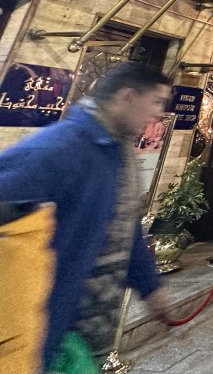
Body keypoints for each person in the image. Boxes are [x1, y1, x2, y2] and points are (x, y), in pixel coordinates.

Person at [0, 63, 173, 370]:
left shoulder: (118, 152)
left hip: (83, 335)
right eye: (157, 101)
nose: (160, 113)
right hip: (42, 332)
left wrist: (150, 287)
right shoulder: (62, 148)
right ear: (127, 96)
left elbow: (124, 226)